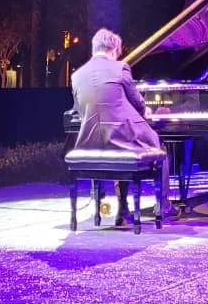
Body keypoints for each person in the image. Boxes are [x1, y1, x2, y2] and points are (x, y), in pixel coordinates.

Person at [71, 28, 173, 217]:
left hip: (90, 142)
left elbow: (79, 110)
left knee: (120, 144)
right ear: (112, 49)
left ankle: (120, 207)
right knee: (159, 145)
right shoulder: (120, 68)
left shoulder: (76, 76)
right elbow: (137, 102)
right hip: (120, 138)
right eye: (117, 53)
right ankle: (163, 204)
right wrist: (145, 110)